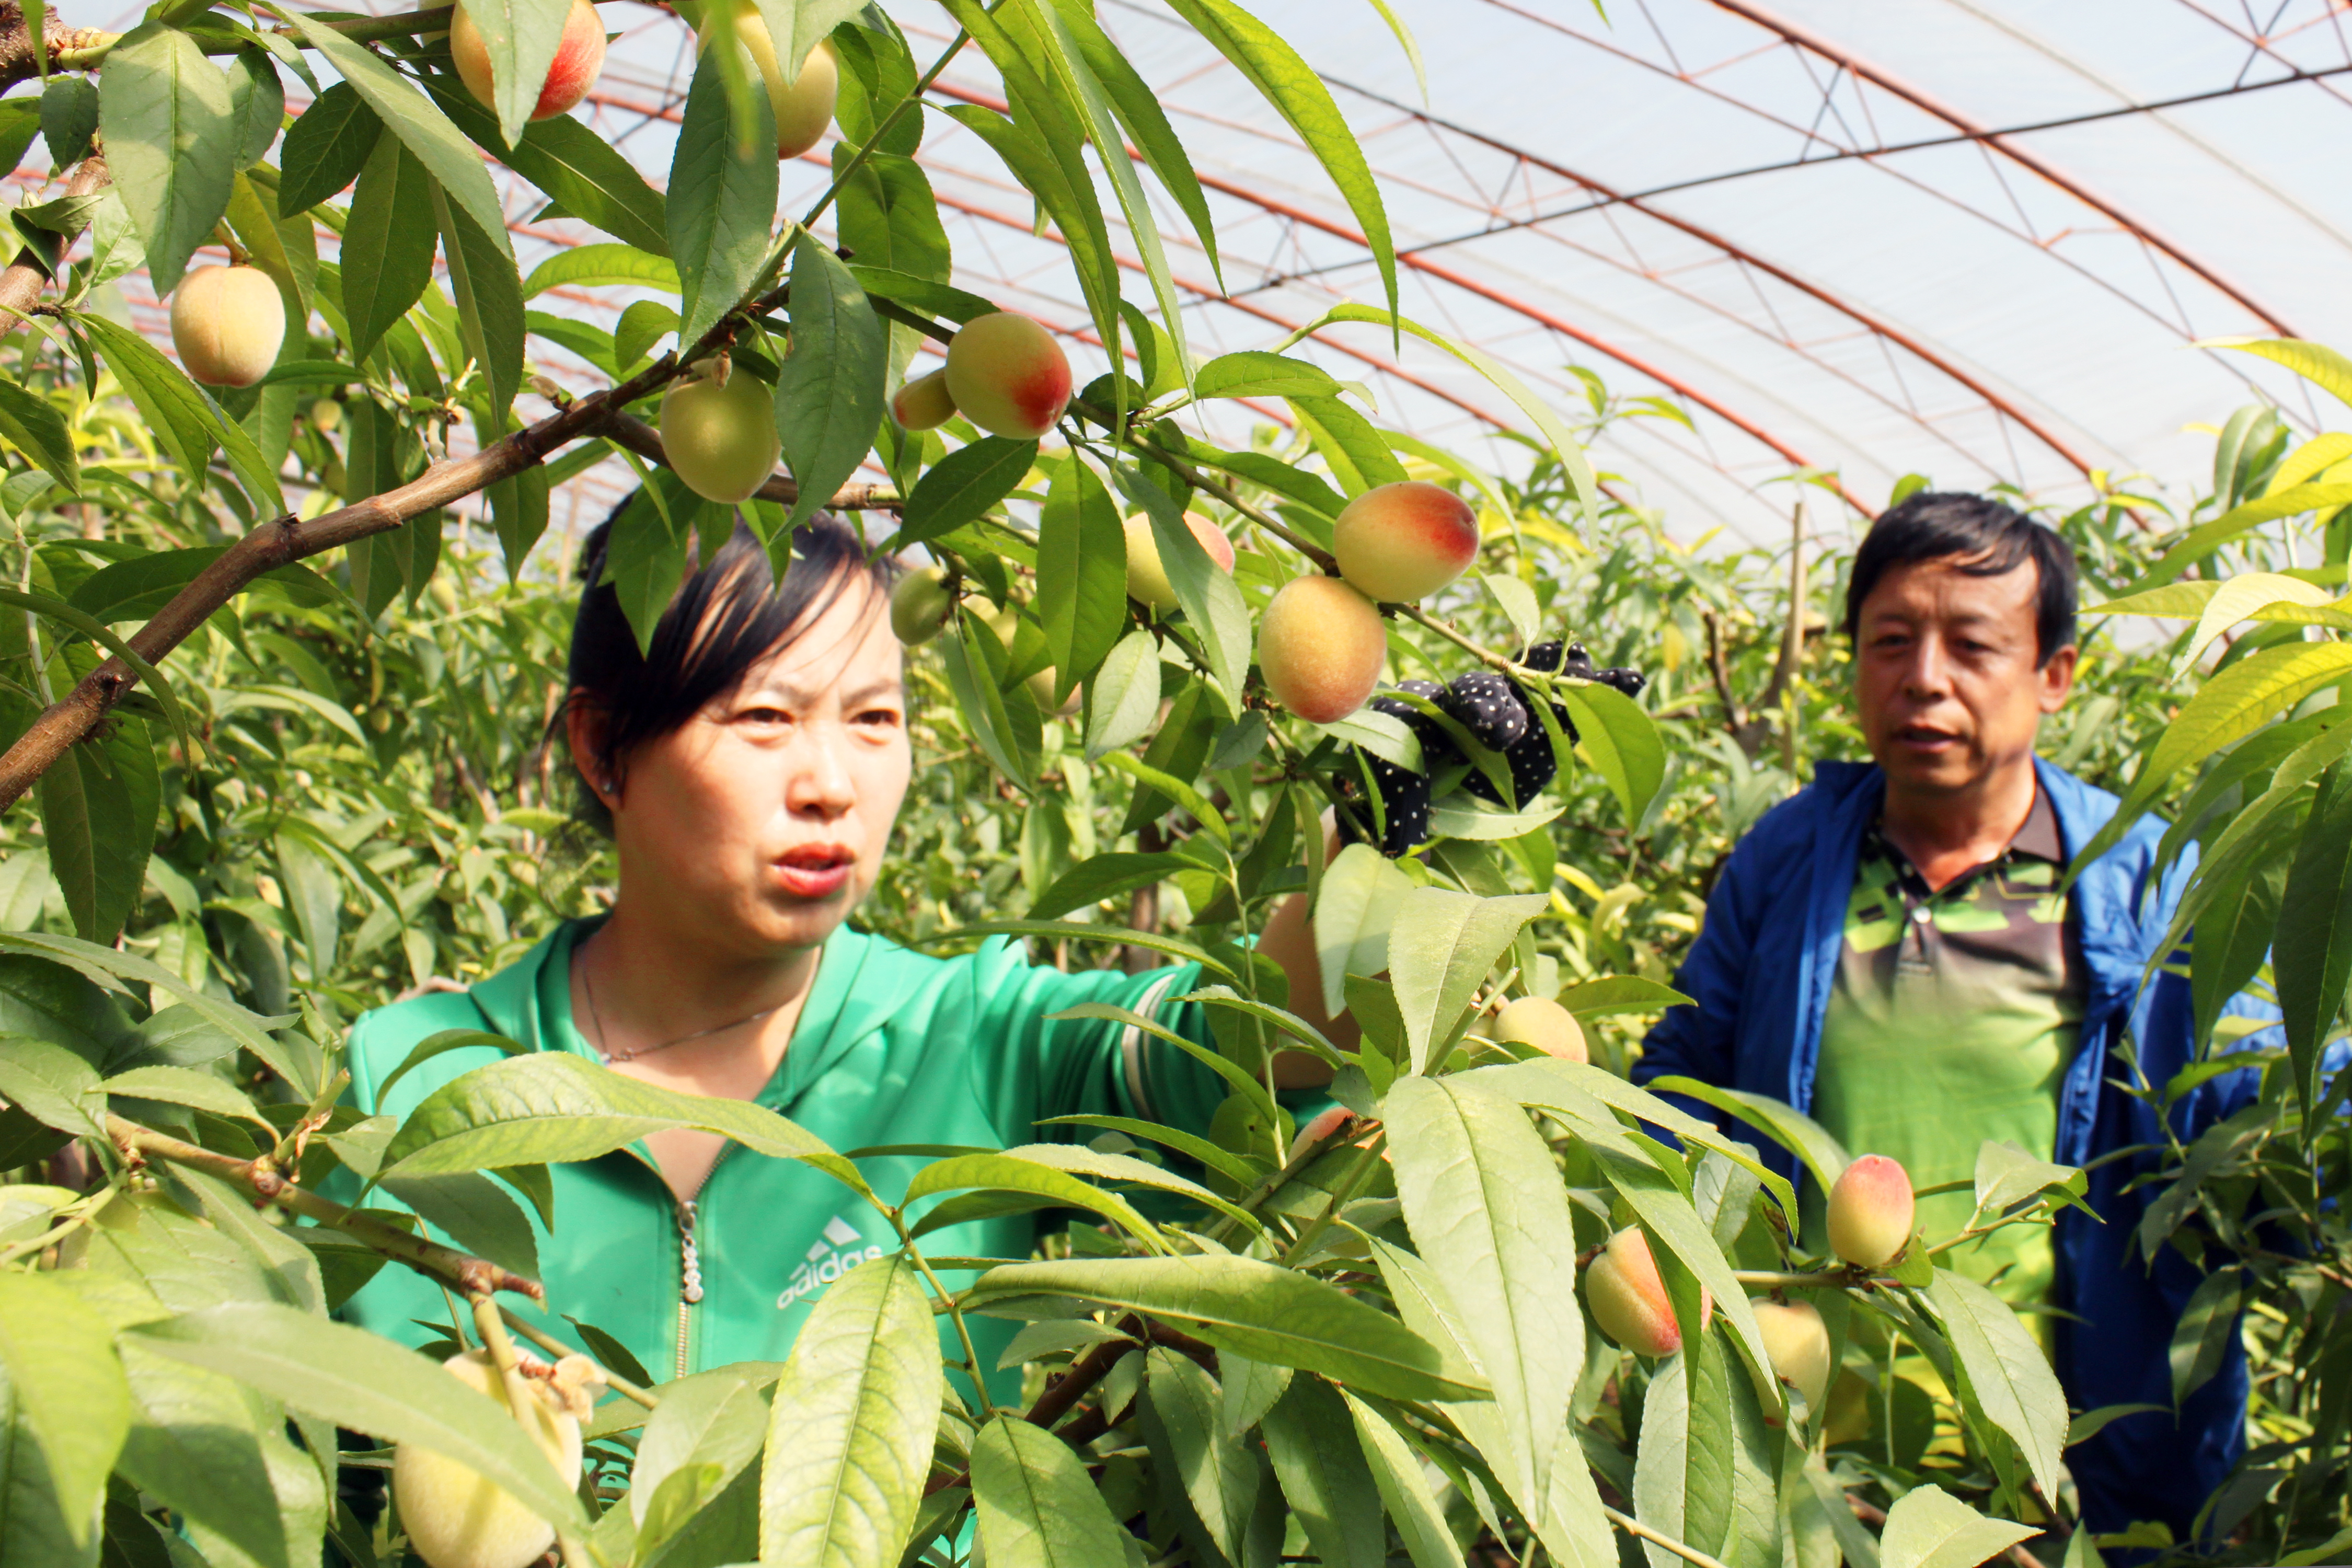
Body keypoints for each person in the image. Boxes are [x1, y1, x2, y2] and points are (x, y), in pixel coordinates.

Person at [330, 504, 1342, 1397]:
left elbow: (1246, 1047)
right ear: (602, 749)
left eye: (875, 719)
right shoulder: (408, 1086)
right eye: (766, 716)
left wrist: (1379, 829)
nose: (832, 783)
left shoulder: (970, 1041)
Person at [1633, 492, 2269, 1537]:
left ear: (2054, 677)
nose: (1924, 677)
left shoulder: (2147, 879)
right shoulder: (1788, 860)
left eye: (1972, 645)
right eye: (1890, 641)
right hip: (1814, 1466)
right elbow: (1684, 1081)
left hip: (2073, 1473)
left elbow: (2253, 1118)